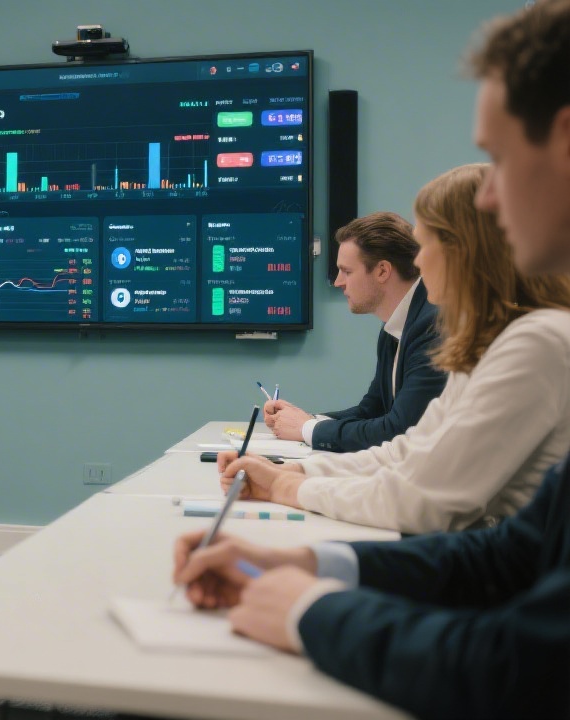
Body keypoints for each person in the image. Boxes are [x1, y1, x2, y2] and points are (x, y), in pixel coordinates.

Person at [173, 4, 570, 716]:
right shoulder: (519, 340)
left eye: (499, 159)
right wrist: (312, 555)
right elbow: (505, 543)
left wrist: (307, 600)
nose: (487, 196)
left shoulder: (541, 341)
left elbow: (522, 664)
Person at [219, 163, 570, 534]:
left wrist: (288, 486)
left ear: (466, 250)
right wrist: (294, 470)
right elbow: (410, 451)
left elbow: (430, 500)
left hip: (502, 572)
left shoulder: (534, 343)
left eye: (427, 244)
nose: (417, 261)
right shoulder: (493, 338)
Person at [265, 212, 447, 452]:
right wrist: (305, 419)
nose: (339, 281)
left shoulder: (432, 326)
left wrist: (306, 428)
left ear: (382, 271)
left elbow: (401, 430)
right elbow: (372, 410)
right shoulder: (395, 327)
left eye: (347, 271)